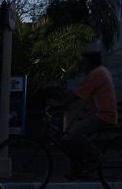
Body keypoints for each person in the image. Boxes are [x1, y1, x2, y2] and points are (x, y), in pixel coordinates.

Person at [48, 48, 117, 177]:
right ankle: (77, 169)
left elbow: (77, 94)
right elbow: (83, 93)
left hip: (103, 115)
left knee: (74, 132)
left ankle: (97, 156)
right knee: (71, 138)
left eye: (83, 62)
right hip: (99, 113)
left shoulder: (96, 74)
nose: (81, 64)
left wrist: (59, 104)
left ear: (89, 62)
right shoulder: (101, 71)